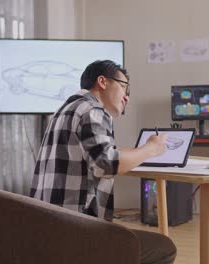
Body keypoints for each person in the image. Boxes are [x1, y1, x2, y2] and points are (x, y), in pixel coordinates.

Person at [30, 60, 176, 264]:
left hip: (48, 233)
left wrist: (133, 153)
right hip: (76, 235)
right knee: (164, 246)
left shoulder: (64, 111)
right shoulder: (92, 110)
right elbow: (106, 163)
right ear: (102, 82)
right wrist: (151, 148)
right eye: (124, 88)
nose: (126, 97)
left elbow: (98, 155)